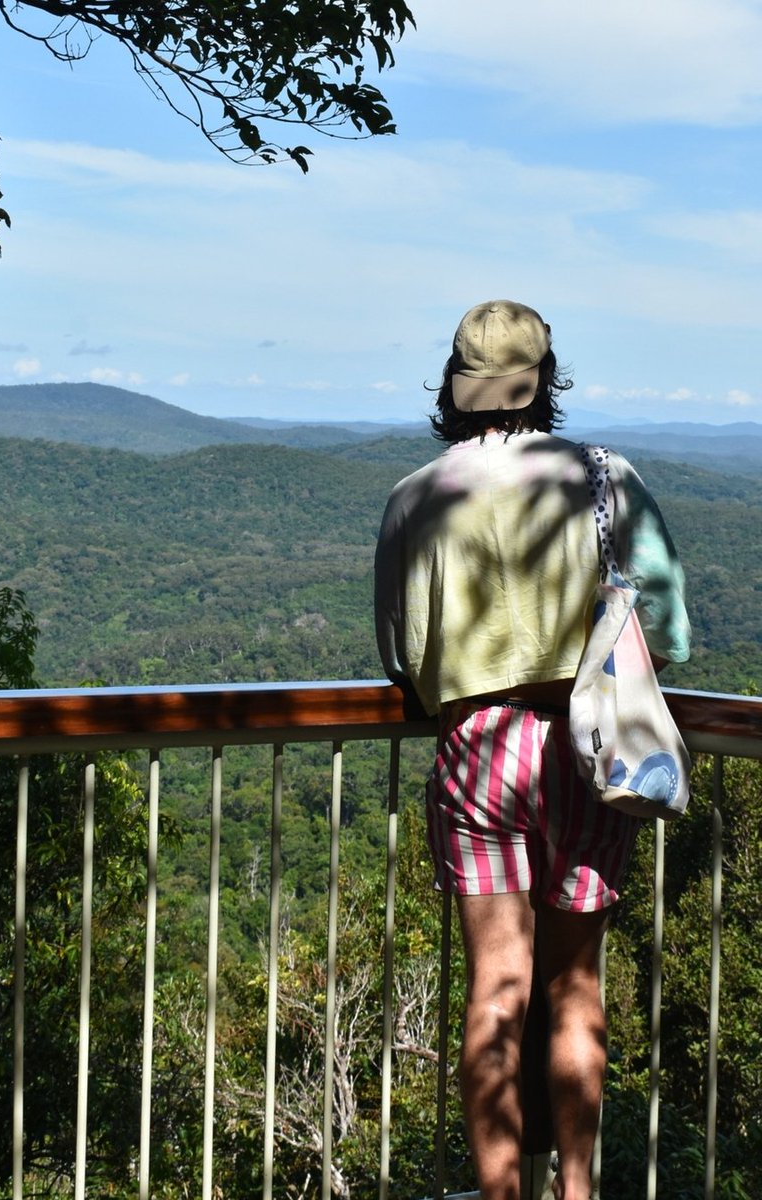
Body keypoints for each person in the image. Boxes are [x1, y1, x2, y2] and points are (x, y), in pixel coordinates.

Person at [373, 300, 690, 1200]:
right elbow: (669, 633)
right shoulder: (606, 478)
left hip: (477, 747)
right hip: (589, 752)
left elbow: (399, 656)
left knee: (497, 989)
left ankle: (502, 1191)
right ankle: (579, 1189)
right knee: (574, 986)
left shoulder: (415, 495)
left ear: (456, 384)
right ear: (544, 379)